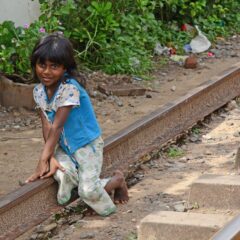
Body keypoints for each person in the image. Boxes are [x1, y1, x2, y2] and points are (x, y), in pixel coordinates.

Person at [26, 33, 128, 216]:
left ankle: (118, 181)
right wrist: (49, 157)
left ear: (65, 68)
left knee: (87, 190)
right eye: (42, 65)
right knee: (60, 171)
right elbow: (47, 126)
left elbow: (57, 126)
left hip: (86, 145)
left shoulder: (69, 88)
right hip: (64, 146)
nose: (46, 72)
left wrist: (42, 160)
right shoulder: (39, 91)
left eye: (54, 66)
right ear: (35, 64)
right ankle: (71, 178)